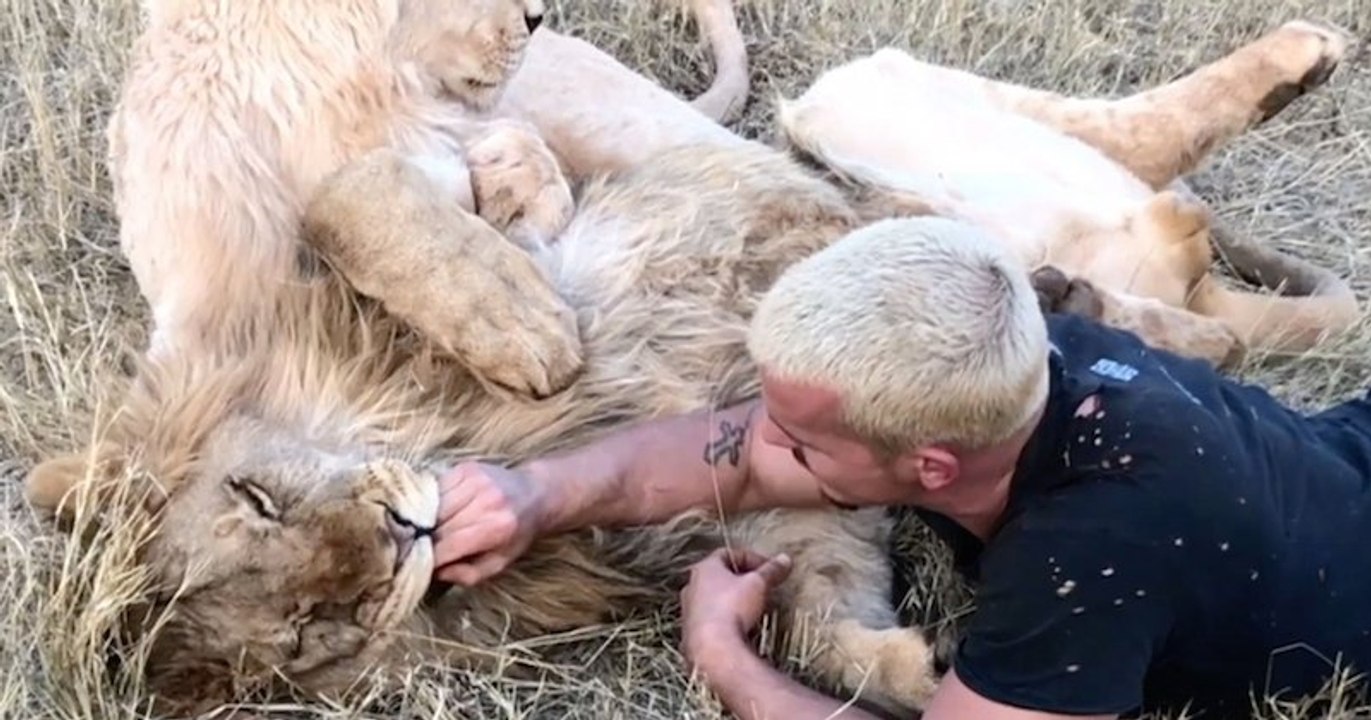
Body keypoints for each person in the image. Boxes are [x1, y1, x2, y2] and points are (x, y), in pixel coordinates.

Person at [430, 216, 1371, 720]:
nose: (767, 448)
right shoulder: (1011, 359)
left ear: (930, 468)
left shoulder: (1087, 556)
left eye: (803, 442)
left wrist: (720, 655)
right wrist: (533, 494)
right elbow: (731, 453)